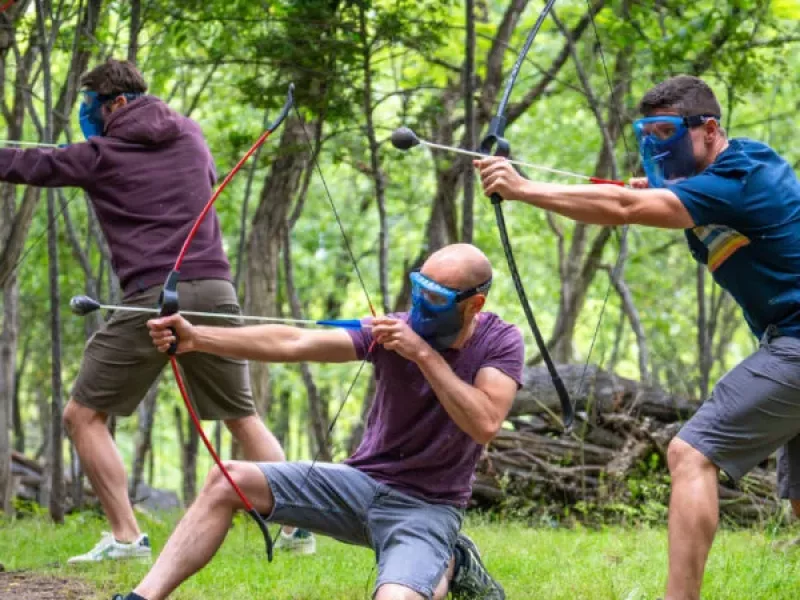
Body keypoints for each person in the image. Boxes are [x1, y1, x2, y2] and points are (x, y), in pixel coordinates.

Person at [475, 74, 800, 600]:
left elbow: (626, 210)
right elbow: (630, 197)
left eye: (667, 131)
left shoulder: (743, 176)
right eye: (647, 132)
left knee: (691, 453)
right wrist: (535, 185)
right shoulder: (714, 180)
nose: (655, 144)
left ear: (710, 129)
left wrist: (522, 188)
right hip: (785, 340)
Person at [0, 58, 313, 562]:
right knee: (241, 415)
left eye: (92, 107)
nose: (87, 114)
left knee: (83, 415)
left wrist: (84, 155)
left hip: (154, 298)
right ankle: (301, 525)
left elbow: (30, 166)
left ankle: (126, 538)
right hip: (214, 289)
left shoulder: (98, 154)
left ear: (117, 103)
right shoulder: (189, 134)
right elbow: (189, 174)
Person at [112, 243, 520, 600]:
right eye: (418, 288)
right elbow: (295, 341)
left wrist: (422, 355)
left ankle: (450, 563)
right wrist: (197, 338)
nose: (419, 304)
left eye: (434, 297)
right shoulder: (394, 330)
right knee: (227, 478)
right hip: (359, 485)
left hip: (427, 507)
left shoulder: (499, 342)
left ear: (473, 305)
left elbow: (484, 422)